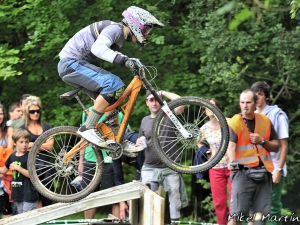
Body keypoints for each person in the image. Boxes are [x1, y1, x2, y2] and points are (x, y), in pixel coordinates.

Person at [57, 6, 164, 152]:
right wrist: (125, 60)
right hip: (70, 64)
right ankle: (87, 128)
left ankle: (117, 138)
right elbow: (98, 49)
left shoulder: (118, 35)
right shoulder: (116, 29)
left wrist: (131, 60)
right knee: (114, 84)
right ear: (136, 24)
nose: (145, 34)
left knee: (113, 101)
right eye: (145, 30)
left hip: (75, 65)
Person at [227, 89, 279, 225]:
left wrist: (262, 141)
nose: (244, 106)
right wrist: (232, 163)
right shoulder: (235, 121)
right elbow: (230, 146)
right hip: (242, 173)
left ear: (256, 103)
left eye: (248, 102)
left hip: (264, 173)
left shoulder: (265, 120)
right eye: (242, 102)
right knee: (236, 216)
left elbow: (276, 146)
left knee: (259, 218)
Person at [136, 90, 188, 222]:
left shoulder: (169, 115)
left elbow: (181, 102)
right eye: (151, 100)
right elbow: (141, 142)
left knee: (174, 203)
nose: (154, 103)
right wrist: (138, 142)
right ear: (147, 102)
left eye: (157, 99)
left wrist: (162, 93)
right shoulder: (144, 120)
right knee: (149, 203)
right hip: (150, 167)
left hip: (170, 166)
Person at [251, 82, 289, 225]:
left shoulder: (277, 115)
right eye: (255, 94)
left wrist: (278, 170)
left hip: (273, 167)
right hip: (253, 167)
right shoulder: (249, 115)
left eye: (260, 94)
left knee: (272, 208)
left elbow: (284, 146)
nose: (257, 97)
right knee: (251, 208)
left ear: (267, 97)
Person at [196, 98, 231, 225]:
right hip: (215, 167)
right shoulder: (204, 128)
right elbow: (198, 143)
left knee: (234, 201)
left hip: (232, 165)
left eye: (213, 106)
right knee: (219, 203)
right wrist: (205, 151)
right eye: (207, 107)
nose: (210, 108)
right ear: (205, 111)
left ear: (218, 108)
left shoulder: (229, 122)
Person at [19, 96, 54, 208]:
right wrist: (41, 145)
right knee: (33, 200)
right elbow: (21, 147)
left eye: (37, 111)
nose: (35, 113)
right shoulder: (22, 128)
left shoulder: (47, 126)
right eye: (32, 111)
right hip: (30, 166)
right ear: (27, 112)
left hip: (46, 166)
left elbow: (50, 146)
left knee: (47, 199)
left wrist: (31, 145)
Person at [0, 129, 39, 214]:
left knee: (27, 219)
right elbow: (3, 170)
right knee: (21, 218)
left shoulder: (30, 156)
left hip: (29, 194)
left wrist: (19, 168)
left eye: (26, 142)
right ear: (14, 143)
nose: (24, 145)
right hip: (18, 194)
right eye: (21, 142)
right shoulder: (12, 156)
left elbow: (34, 176)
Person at [0, 104, 13, 218]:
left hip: (5, 171)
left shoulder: (9, 129)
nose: (0, 116)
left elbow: (9, 152)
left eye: (1, 113)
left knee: (7, 210)